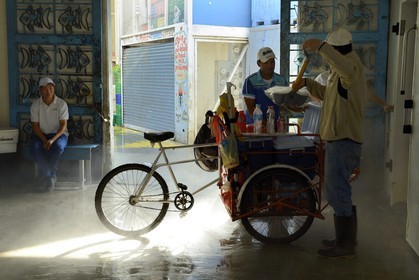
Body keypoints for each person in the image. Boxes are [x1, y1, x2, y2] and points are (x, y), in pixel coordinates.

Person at [292, 28, 365, 259]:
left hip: (343, 140)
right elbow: (327, 94)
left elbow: (342, 66)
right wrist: (306, 83)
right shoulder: (339, 73)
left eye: (331, 51)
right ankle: (346, 240)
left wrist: (320, 46)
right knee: (337, 189)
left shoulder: (350, 68)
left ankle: (345, 245)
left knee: (337, 190)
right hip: (337, 139)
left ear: (337, 51)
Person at [30, 77, 69, 192]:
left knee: (57, 146)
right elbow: (35, 126)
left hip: (59, 135)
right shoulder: (35, 105)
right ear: (40, 90)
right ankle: (50, 175)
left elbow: (63, 126)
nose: (49, 91)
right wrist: (43, 140)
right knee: (35, 148)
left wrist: (52, 140)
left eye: (51, 88)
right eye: (46, 89)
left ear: (54, 89)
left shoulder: (61, 104)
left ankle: (46, 176)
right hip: (41, 134)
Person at [242, 47, 287, 124]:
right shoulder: (250, 81)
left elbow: (285, 104)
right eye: (266, 63)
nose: (270, 66)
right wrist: (265, 125)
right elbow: (251, 109)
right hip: (254, 127)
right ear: (259, 63)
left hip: (275, 125)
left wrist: (299, 107)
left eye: (272, 62)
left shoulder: (282, 81)